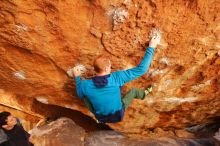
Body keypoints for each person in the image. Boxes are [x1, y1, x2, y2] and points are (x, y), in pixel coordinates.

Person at [68, 30, 161, 123]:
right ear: (106, 68)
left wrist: (77, 77)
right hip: (117, 116)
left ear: (95, 69)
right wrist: (151, 47)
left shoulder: (86, 85)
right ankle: (143, 94)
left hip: (100, 117)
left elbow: (80, 94)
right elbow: (141, 69)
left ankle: (98, 118)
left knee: (84, 96)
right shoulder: (116, 78)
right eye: (109, 66)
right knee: (133, 91)